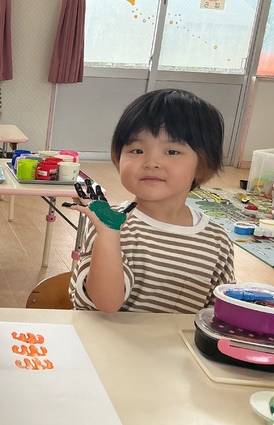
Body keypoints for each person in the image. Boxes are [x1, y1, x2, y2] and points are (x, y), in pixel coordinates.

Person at [67, 88, 235, 313]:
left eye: (172, 152)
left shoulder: (217, 240)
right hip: (103, 336)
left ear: (203, 166)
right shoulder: (110, 223)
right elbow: (106, 304)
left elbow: (218, 315)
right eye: (137, 150)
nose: (151, 162)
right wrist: (108, 233)